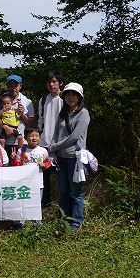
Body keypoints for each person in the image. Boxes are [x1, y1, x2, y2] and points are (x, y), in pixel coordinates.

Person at [48, 82, 90, 231]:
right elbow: (56, 134)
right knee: (64, 191)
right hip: (61, 159)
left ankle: (77, 222)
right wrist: (53, 152)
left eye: (74, 94)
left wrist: (54, 147)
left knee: (75, 192)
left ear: (79, 97)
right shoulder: (63, 113)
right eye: (68, 94)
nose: (70, 97)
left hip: (74, 158)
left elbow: (74, 137)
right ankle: (64, 219)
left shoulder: (83, 114)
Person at [37, 70, 64, 208]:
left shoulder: (65, 99)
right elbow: (40, 121)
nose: (51, 84)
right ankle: (45, 204)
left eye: (54, 82)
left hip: (61, 144)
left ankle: (63, 206)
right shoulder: (43, 100)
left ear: (60, 83)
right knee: (43, 177)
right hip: (45, 145)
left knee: (61, 177)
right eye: (49, 82)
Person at [0, 74, 34, 159]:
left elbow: (30, 122)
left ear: (20, 86)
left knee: (20, 166)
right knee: (3, 165)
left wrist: (22, 113)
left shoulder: (27, 102)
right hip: (2, 140)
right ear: (7, 86)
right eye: (10, 86)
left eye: (16, 86)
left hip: (20, 141)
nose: (13, 88)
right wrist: (5, 127)